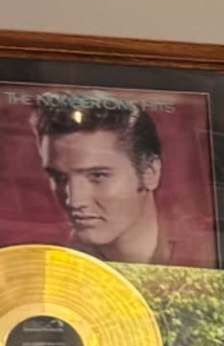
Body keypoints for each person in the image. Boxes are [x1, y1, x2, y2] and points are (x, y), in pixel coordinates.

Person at [32, 92, 171, 264]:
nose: (74, 201)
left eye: (97, 175)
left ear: (150, 173)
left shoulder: (202, 253)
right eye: (59, 177)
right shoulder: (45, 264)